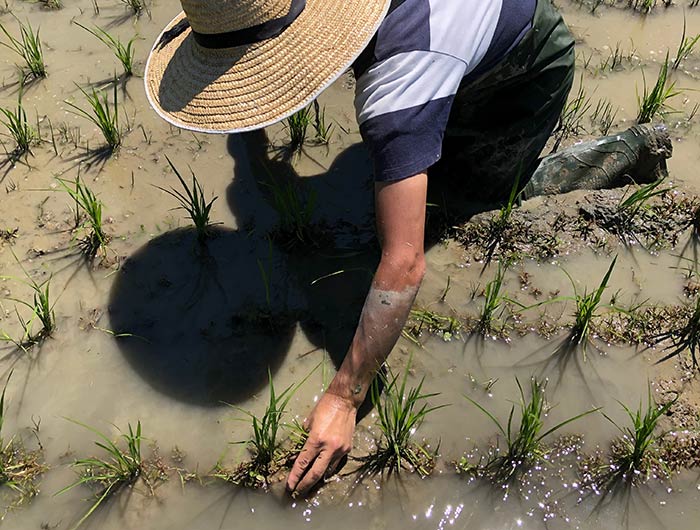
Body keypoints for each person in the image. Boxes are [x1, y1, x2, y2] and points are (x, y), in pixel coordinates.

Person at [144, 0, 671, 496]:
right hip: (461, 31)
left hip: (529, 55)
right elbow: (251, 153)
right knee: (404, 161)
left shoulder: (396, 92)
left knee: (471, 194)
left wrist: (344, 397)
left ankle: (632, 152)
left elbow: (404, 263)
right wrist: (249, 126)